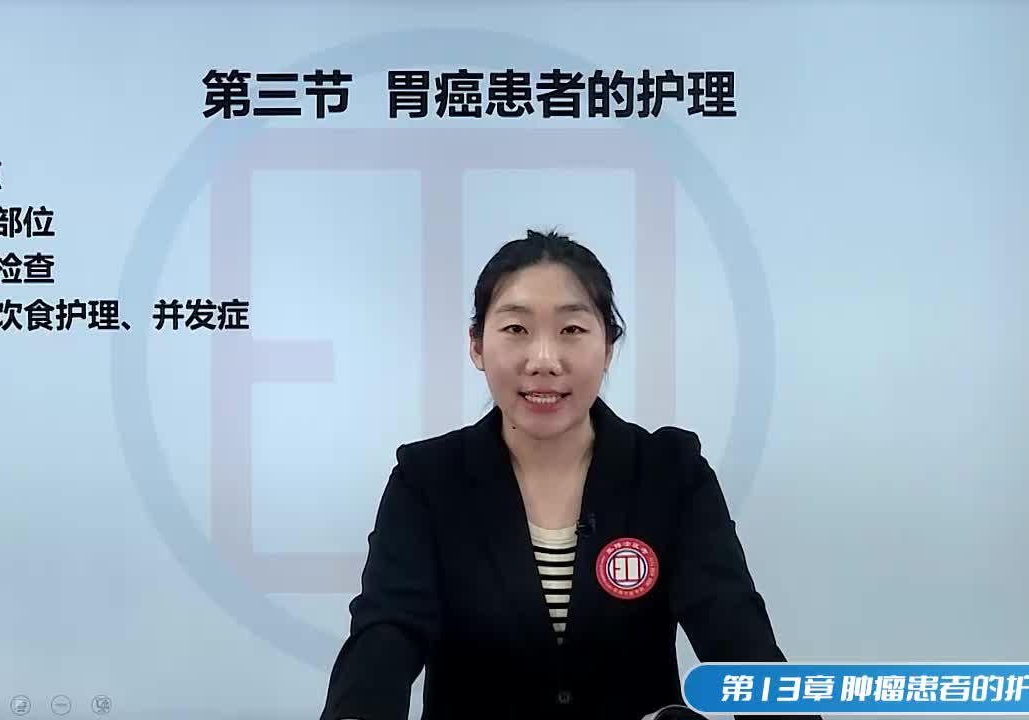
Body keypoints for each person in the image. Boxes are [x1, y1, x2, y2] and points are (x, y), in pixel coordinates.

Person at [319, 229, 815, 720]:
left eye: (572, 330)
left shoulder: (671, 472)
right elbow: (385, 635)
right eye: (516, 329)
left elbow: (734, 632)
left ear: (608, 346)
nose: (544, 361)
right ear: (476, 345)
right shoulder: (427, 480)